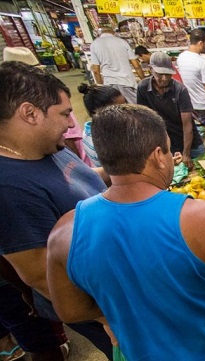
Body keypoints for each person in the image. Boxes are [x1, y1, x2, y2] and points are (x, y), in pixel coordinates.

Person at [46, 104, 205, 361]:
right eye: (170, 150)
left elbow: (70, 311)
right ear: (158, 155)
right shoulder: (204, 218)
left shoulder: (64, 233)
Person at [0, 61, 112, 359]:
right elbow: (40, 275)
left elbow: (81, 179)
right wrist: (106, 318)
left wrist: (129, 172)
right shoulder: (8, 187)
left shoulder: (47, 148)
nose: (70, 122)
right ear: (29, 113)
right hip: (99, 306)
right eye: (64, 113)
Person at [137, 52, 205, 170]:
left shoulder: (180, 90)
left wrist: (186, 153)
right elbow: (144, 121)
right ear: (151, 69)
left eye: (168, 74)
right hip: (166, 144)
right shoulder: (143, 88)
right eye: (160, 74)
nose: (164, 79)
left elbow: (187, 125)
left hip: (189, 143)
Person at [90, 26, 144, 104]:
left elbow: (96, 71)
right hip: (127, 81)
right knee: (137, 109)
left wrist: (101, 89)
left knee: (118, 111)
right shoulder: (122, 42)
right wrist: (144, 80)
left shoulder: (94, 44)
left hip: (110, 83)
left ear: (99, 34)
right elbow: (136, 65)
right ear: (113, 33)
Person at [78, 83, 127, 167]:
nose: (126, 111)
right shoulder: (105, 142)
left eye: (126, 106)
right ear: (98, 112)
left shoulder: (89, 129)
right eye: (119, 109)